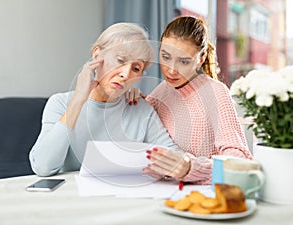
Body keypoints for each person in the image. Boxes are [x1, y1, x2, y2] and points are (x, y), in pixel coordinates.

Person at [29, 22, 180, 177]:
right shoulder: (60, 103)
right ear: (97, 55)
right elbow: (43, 166)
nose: (126, 74)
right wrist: (78, 100)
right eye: (121, 60)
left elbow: (174, 155)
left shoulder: (140, 108)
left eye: (136, 68)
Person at [137, 16, 252, 184]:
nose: (171, 70)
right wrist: (133, 101)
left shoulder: (215, 92)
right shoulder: (159, 93)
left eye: (184, 61)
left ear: (201, 58)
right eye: (165, 57)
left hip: (204, 196)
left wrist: (192, 168)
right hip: (162, 193)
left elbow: (239, 160)